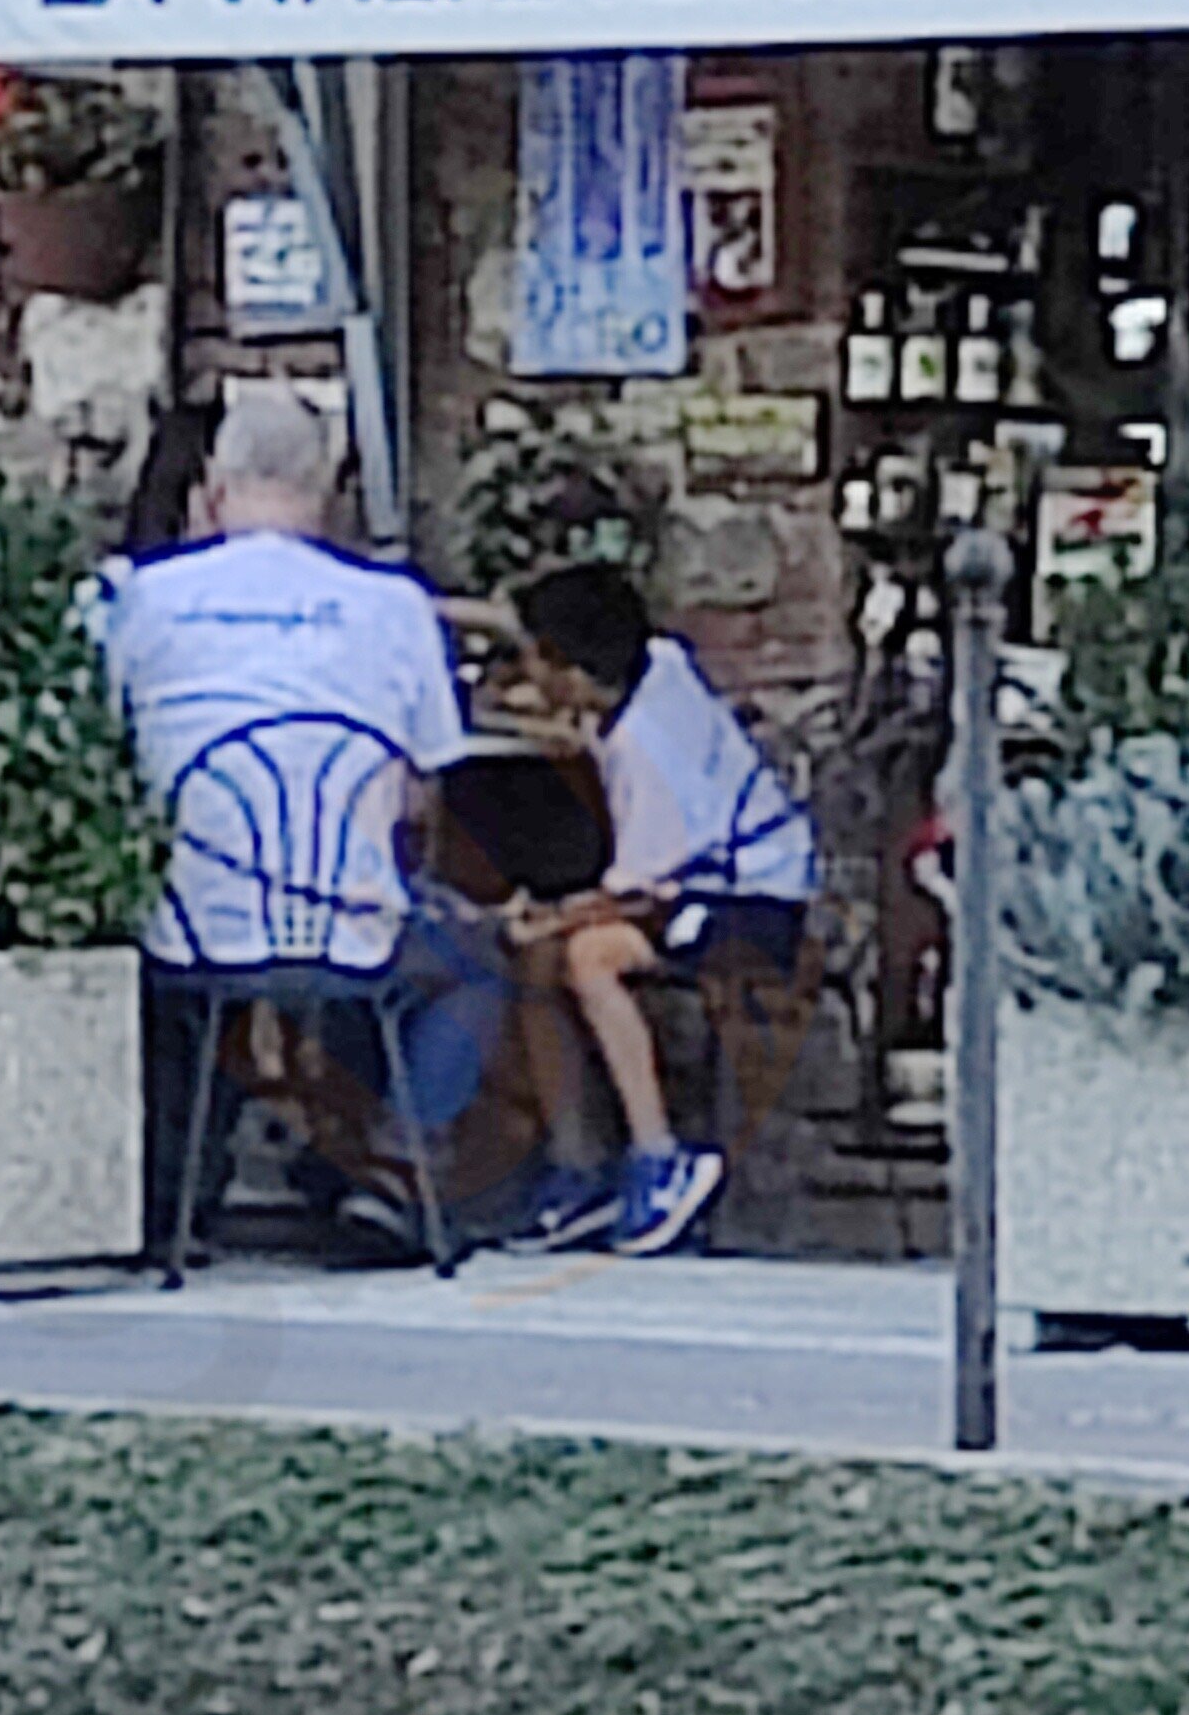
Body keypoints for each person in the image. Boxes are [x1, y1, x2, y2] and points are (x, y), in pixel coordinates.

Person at [100, 387, 490, 1261]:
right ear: (327, 491)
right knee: (472, 961)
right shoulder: (393, 605)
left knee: (179, 973)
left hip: (184, 919)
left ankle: (173, 1200)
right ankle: (382, 1178)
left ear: (213, 488)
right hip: (346, 922)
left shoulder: (132, 597)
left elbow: (99, 753)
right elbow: (424, 792)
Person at [500, 564, 820, 1260]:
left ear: (570, 668)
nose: (523, 670)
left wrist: (548, 917)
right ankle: (578, 1166)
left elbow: (639, 890)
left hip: (747, 899)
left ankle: (659, 1157)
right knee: (537, 964)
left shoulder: (642, 749)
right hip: (701, 878)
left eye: (532, 657)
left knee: (589, 956)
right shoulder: (660, 663)